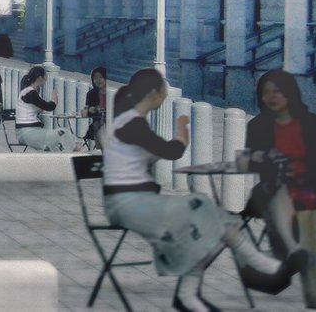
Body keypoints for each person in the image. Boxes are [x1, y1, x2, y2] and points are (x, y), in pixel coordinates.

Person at [103, 68, 305, 312]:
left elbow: (148, 156)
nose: (166, 95)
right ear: (154, 93)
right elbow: (172, 151)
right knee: (205, 211)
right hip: (128, 204)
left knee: (219, 220)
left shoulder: (130, 122)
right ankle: (255, 263)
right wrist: (181, 131)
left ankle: (192, 293)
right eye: (165, 90)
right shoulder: (132, 123)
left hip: (137, 199)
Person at [243, 68, 316, 259]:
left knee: (294, 193)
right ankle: (293, 250)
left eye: (277, 91)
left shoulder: (310, 121)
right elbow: (250, 159)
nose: (271, 97)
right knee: (280, 192)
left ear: (289, 92)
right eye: (266, 92)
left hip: (309, 187)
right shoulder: (257, 125)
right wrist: (261, 157)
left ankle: (290, 251)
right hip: (272, 186)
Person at [14, 65, 76, 151]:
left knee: (55, 146)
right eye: (45, 75)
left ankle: (68, 156)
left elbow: (38, 107)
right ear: (40, 78)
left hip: (27, 132)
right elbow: (49, 107)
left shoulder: (27, 92)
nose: (46, 78)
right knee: (64, 132)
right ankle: (75, 152)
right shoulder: (30, 93)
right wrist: (54, 97)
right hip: (28, 133)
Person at [83, 66, 109, 148]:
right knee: (100, 126)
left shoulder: (111, 92)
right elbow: (86, 112)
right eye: (95, 78)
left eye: (101, 77)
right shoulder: (91, 94)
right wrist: (92, 110)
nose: (98, 80)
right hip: (98, 124)